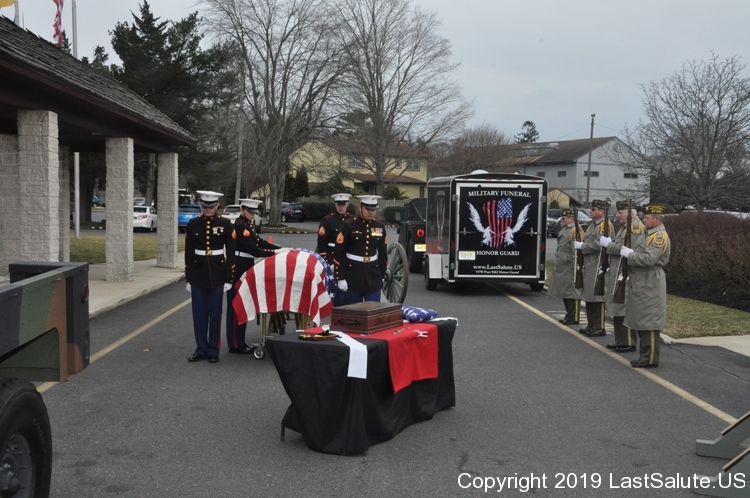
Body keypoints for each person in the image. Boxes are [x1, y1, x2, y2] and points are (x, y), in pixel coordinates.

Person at [185, 191, 236, 363]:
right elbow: (189, 252)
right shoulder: (193, 224)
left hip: (217, 274)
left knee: (215, 314)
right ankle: (201, 348)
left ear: (217, 206)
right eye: (205, 207)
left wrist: (229, 278)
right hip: (198, 274)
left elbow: (231, 253)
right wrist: (188, 278)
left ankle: (214, 349)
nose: (207, 209)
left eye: (211, 207)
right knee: (199, 314)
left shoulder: (225, 224)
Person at [225, 199, 281, 354]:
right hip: (239, 269)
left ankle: (239, 342)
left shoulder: (247, 225)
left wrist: (279, 248)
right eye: (249, 211)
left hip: (245, 266)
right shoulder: (240, 227)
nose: (252, 214)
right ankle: (235, 344)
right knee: (236, 306)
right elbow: (254, 250)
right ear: (242, 210)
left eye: (254, 212)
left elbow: (260, 242)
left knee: (242, 305)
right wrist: (276, 252)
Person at [620, 204, 671, 368]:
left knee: (649, 320)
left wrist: (630, 255)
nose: (643, 220)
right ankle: (644, 355)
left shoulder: (658, 236)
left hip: (650, 280)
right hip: (641, 278)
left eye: (647, 217)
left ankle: (649, 358)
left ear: (657, 219)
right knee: (642, 318)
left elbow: (649, 259)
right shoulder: (648, 234)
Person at [600, 201, 645, 353]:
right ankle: (620, 340)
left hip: (626, 273)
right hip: (618, 271)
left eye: (621, 212)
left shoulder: (636, 228)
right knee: (617, 306)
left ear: (630, 213)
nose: (617, 215)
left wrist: (609, 245)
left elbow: (628, 249)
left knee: (624, 307)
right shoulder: (625, 227)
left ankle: (628, 341)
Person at [333, 195, 388, 304]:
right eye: (368, 209)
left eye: (373, 209)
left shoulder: (379, 226)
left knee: (373, 311)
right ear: (360, 207)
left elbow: (383, 253)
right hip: (353, 276)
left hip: (373, 276)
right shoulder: (349, 225)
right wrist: (340, 277)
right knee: (354, 312)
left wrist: (382, 274)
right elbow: (339, 253)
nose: (371, 212)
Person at [574, 199, 613, 337]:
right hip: (590, 265)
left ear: (602, 211)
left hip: (598, 265)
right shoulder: (593, 224)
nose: (590, 211)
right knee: (589, 296)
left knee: (598, 296)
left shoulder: (605, 225)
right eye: (591, 209)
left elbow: (599, 244)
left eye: (593, 209)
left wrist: (582, 246)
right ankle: (591, 325)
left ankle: (599, 326)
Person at [316, 193, 355, 306]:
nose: (341, 207)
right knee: (335, 290)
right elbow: (321, 244)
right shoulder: (327, 220)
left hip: (348, 258)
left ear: (347, 205)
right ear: (335, 205)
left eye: (343, 204)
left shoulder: (353, 220)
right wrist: (329, 262)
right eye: (339, 204)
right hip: (332, 258)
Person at [548, 208, 581, 325]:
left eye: (564, 218)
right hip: (563, 266)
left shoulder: (575, 230)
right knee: (565, 292)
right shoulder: (565, 228)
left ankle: (574, 316)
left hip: (569, 266)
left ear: (571, 218)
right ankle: (569, 314)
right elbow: (556, 230)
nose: (562, 220)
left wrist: (575, 267)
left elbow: (576, 252)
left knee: (572, 292)